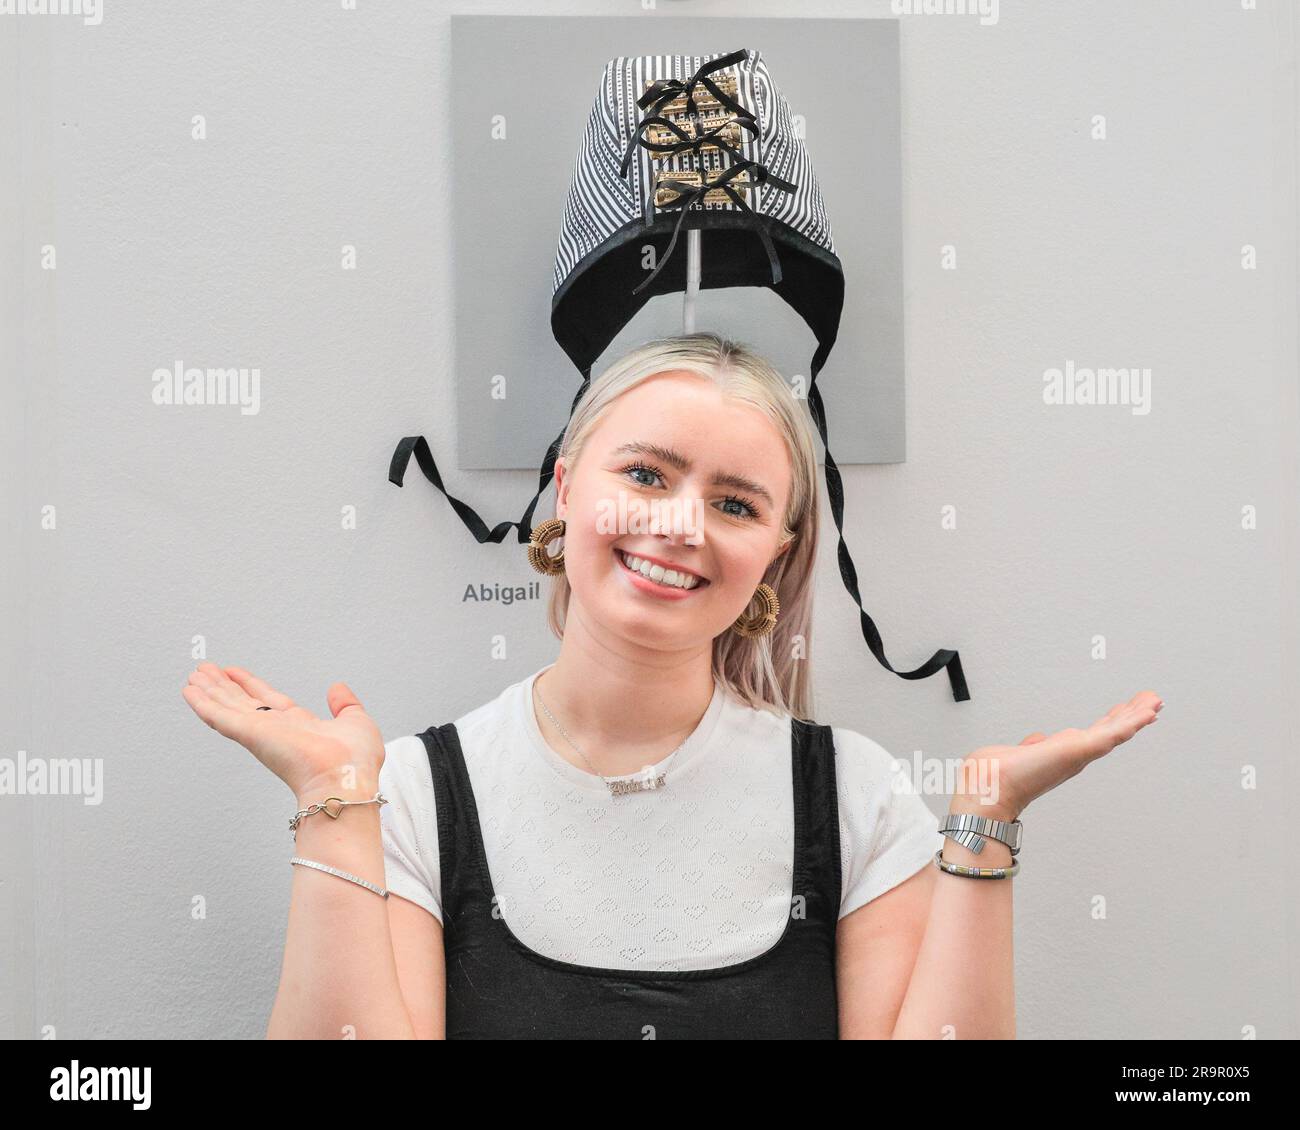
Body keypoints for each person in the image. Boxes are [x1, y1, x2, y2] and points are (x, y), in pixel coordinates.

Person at [181, 332, 1162, 1039]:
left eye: (734, 502)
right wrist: (330, 806)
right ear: (568, 489)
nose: (683, 524)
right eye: (646, 475)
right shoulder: (405, 791)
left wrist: (984, 821)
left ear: (774, 554)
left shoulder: (855, 795)